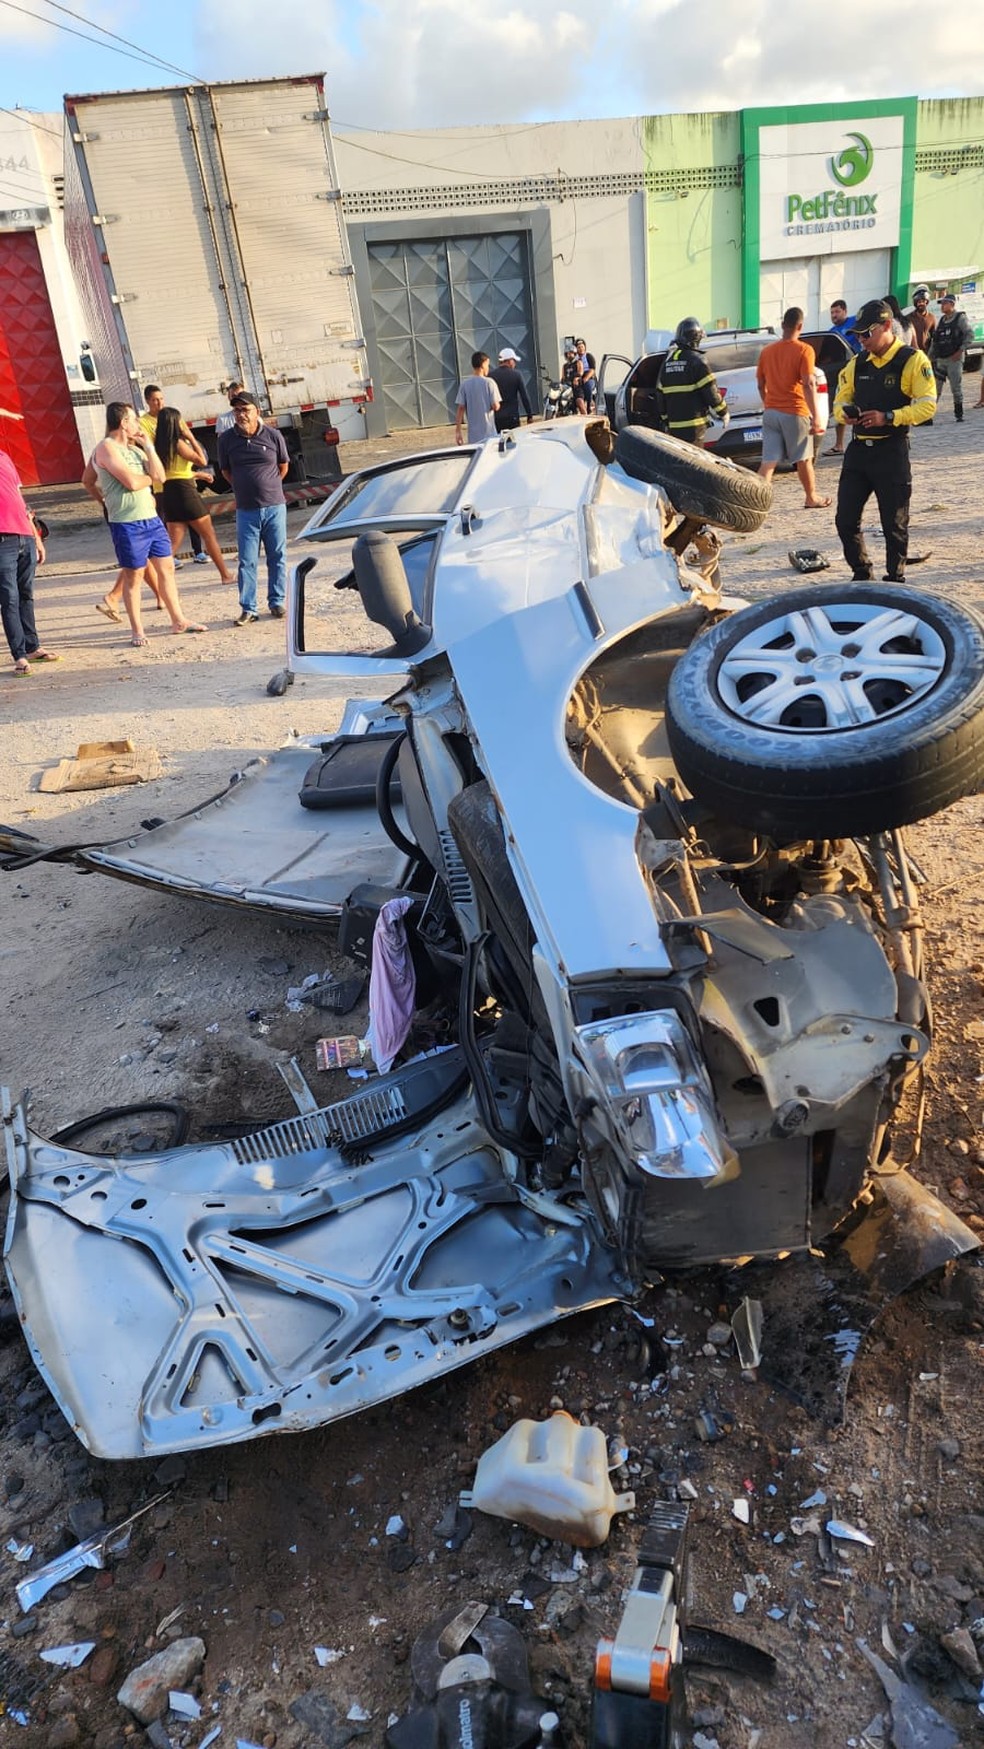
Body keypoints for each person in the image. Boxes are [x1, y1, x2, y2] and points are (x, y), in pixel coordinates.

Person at [83, 402, 206, 646]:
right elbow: (130, 482)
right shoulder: (106, 448)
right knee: (134, 577)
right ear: (123, 422)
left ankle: (178, 619)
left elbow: (161, 476)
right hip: (127, 523)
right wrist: (105, 501)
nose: (138, 425)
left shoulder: (136, 450)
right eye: (134, 420)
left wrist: (148, 446)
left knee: (166, 570)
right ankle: (137, 630)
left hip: (151, 519)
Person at [833, 299, 936, 583]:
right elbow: (839, 401)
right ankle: (862, 572)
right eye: (858, 335)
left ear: (887, 326)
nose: (862, 340)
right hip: (859, 452)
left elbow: (928, 406)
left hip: (891, 450)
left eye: (867, 334)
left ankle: (895, 578)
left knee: (894, 522)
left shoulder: (912, 360)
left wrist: (889, 416)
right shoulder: (856, 364)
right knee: (845, 520)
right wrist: (846, 413)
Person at [216, 392, 289, 624]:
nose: (241, 414)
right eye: (237, 410)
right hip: (246, 510)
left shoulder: (273, 435)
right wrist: (244, 486)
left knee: (277, 556)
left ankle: (276, 602)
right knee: (247, 560)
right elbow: (226, 471)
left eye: (245, 409)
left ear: (257, 411)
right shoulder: (226, 440)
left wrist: (267, 487)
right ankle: (249, 608)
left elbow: (283, 466)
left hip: (274, 506)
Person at [756, 308, 829, 507]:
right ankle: (811, 497)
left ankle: (756, 501)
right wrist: (816, 416)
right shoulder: (804, 350)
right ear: (800, 326)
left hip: (771, 413)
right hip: (794, 411)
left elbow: (760, 384)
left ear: (782, 325)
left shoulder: (767, 352)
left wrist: (768, 403)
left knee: (768, 461)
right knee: (804, 459)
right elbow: (808, 383)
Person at [154, 406, 234, 582]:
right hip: (185, 492)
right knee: (208, 534)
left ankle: (160, 581)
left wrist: (198, 475)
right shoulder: (178, 443)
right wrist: (190, 436)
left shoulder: (157, 446)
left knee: (172, 543)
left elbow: (174, 473)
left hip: (169, 492)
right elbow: (202, 460)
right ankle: (225, 574)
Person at [0, 445, 57, 675]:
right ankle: (20, 656)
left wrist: (36, 537)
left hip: (24, 536)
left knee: (25, 594)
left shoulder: (4, 457)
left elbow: (19, 499)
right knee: (9, 598)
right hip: (2, 540)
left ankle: (32, 647)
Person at [655, 317, 728, 446]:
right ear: (696, 338)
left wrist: (666, 419)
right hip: (695, 429)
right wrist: (723, 412)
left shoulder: (667, 363)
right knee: (693, 462)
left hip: (674, 429)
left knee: (679, 461)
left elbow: (660, 395)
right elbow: (711, 392)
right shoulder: (698, 361)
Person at [824, 302, 861, 456]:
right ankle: (839, 445)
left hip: (861, 369)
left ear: (845, 311)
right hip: (843, 374)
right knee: (841, 406)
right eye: (832, 313)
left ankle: (862, 439)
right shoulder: (831, 333)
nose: (834, 315)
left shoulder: (855, 322)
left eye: (837, 312)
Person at [930, 293, 974, 421]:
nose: (942, 306)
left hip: (954, 359)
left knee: (956, 387)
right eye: (942, 304)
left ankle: (958, 414)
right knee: (935, 389)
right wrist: (929, 358)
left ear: (952, 304)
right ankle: (929, 415)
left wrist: (960, 351)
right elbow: (936, 341)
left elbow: (970, 335)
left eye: (945, 303)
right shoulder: (943, 320)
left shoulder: (960, 318)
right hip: (941, 359)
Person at [454, 352, 500, 445]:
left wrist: (458, 431)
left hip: (473, 437)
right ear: (483, 364)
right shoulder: (489, 382)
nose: (488, 368)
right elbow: (495, 406)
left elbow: (461, 408)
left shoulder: (465, 384)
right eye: (487, 364)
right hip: (489, 433)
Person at [489, 347, 534, 433]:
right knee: (513, 442)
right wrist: (529, 415)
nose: (515, 364)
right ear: (509, 361)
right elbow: (524, 396)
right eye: (514, 361)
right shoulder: (516, 375)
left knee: (498, 442)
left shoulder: (491, 376)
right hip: (512, 417)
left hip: (496, 417)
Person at [908, 286, 936, 360]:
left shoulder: (931, 317)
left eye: (923, 301)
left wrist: (932, 353)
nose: (921, 304)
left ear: (927, 302)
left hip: (926, 354)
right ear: (915, 303)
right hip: (911, 353)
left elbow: (935, 336)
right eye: (919, 302)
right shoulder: (908, 318)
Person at [574, 338, 596, 413]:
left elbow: (592, 370)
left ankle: (589, 405)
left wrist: (586, 378)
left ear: (585, 347)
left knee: (587, 386)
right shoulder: (575, 359)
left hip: (589, 378)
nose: (581, 349)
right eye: (579, 347)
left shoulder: (589, 356)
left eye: (582, 347)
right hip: (579, 377)